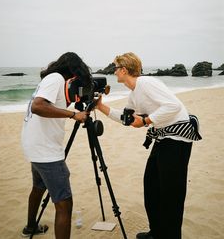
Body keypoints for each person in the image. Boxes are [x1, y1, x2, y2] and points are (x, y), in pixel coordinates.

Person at [96, 52, 201, 239]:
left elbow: (173, 106)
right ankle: (157, 232)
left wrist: (146, 121)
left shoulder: (145, 83)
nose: (114, 72)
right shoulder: (135, 93)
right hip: (163, 138)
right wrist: (100, 107)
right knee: (152, 188)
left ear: (124, 70)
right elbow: (126, 118)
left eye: (115, 68)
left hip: (177, 140)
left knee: (171, 194)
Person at [21, 52, 92, 239]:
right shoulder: (56, 78)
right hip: (46, 151)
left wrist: (78, 104)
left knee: (38, 187)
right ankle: (31, 227)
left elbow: (55, 104)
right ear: (74, 70)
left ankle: (30, 227)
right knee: (64, 203)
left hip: (35, 145)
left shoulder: (52, 80)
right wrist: (73, 115)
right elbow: (38, 106)